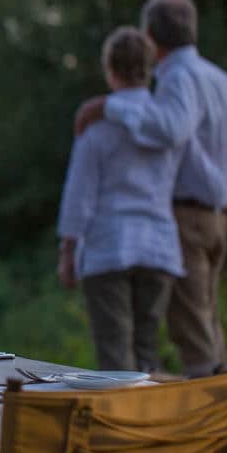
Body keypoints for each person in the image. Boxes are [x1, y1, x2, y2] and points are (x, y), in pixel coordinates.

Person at [74, 0, 227, 378]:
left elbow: (171, 131)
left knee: (194, 335)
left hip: (185, 218)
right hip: (215, 219)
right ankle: (226, 418)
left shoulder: (178, 78)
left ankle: (212, 429)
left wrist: (106, 107)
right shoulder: (220, 79)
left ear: (149, 35)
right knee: (207, 324)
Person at [57, 26, 185, 373]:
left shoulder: (95, 128)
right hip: (158, 247)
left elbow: (79, 195)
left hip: (108, 246)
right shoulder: (169, 125)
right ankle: (150, 423)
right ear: (149, 70)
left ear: (109, 70)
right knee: (147, 350)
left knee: (115, 352)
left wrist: (68, 251)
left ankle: (119, 425)